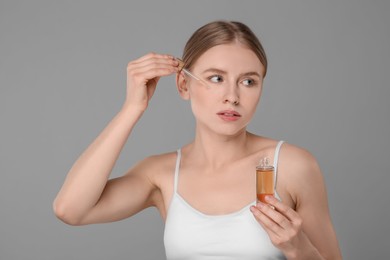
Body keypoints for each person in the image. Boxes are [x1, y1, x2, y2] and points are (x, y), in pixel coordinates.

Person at [53, 20, 342, 259]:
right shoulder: (161, 174)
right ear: (183, 84)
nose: (233, 95)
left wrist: (300, 249)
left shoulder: (292, 166)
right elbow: (70, 210)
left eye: (249, 81)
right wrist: (132, 108)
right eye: (216, 78)